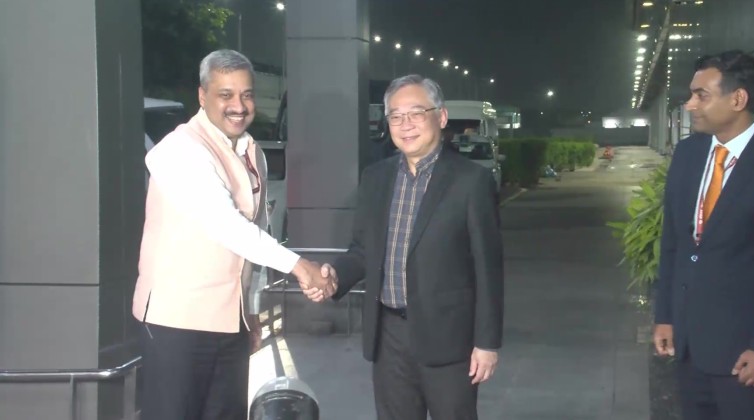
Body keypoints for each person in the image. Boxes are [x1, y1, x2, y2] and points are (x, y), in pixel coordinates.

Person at [132, 49, 333, 420]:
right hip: (177, 323)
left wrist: (250, 311)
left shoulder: (251, 152)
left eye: (247, 94)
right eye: (225, 94)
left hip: (230, 321)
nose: (238, 106)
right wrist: (300, 266)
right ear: (202, 96)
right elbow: (224, 223)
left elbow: (255, 234)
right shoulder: (180, 149)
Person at [304, 74, 504, 420]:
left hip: (449, 340)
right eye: (395, 116)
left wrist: (486, 343)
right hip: (389, 337)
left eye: (415, 113)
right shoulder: (375, 178)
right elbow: (363, 250)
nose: (405, 124)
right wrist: (335, 276)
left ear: (441, 117)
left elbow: (488, 269)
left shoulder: (471, 181)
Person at [653, 50, 754, 420]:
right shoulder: (688, 154)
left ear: (738, 98)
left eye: (701, 95)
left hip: (745, 356)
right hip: (689, 347)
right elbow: (674, 244)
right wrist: (665, 315)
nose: (690, 104)